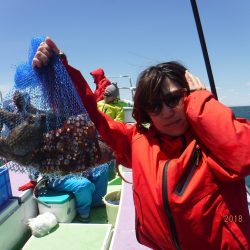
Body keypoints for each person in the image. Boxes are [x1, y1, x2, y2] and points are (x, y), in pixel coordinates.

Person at [32, 37, 250, 250]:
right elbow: (93, 117)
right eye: (154, 106)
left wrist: (202, 102)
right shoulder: (138, 141)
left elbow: (242, 155)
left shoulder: (212, 141)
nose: (166, 111)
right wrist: (59, 73)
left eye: (174, 99)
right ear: (146, 112)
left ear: (189, 97)